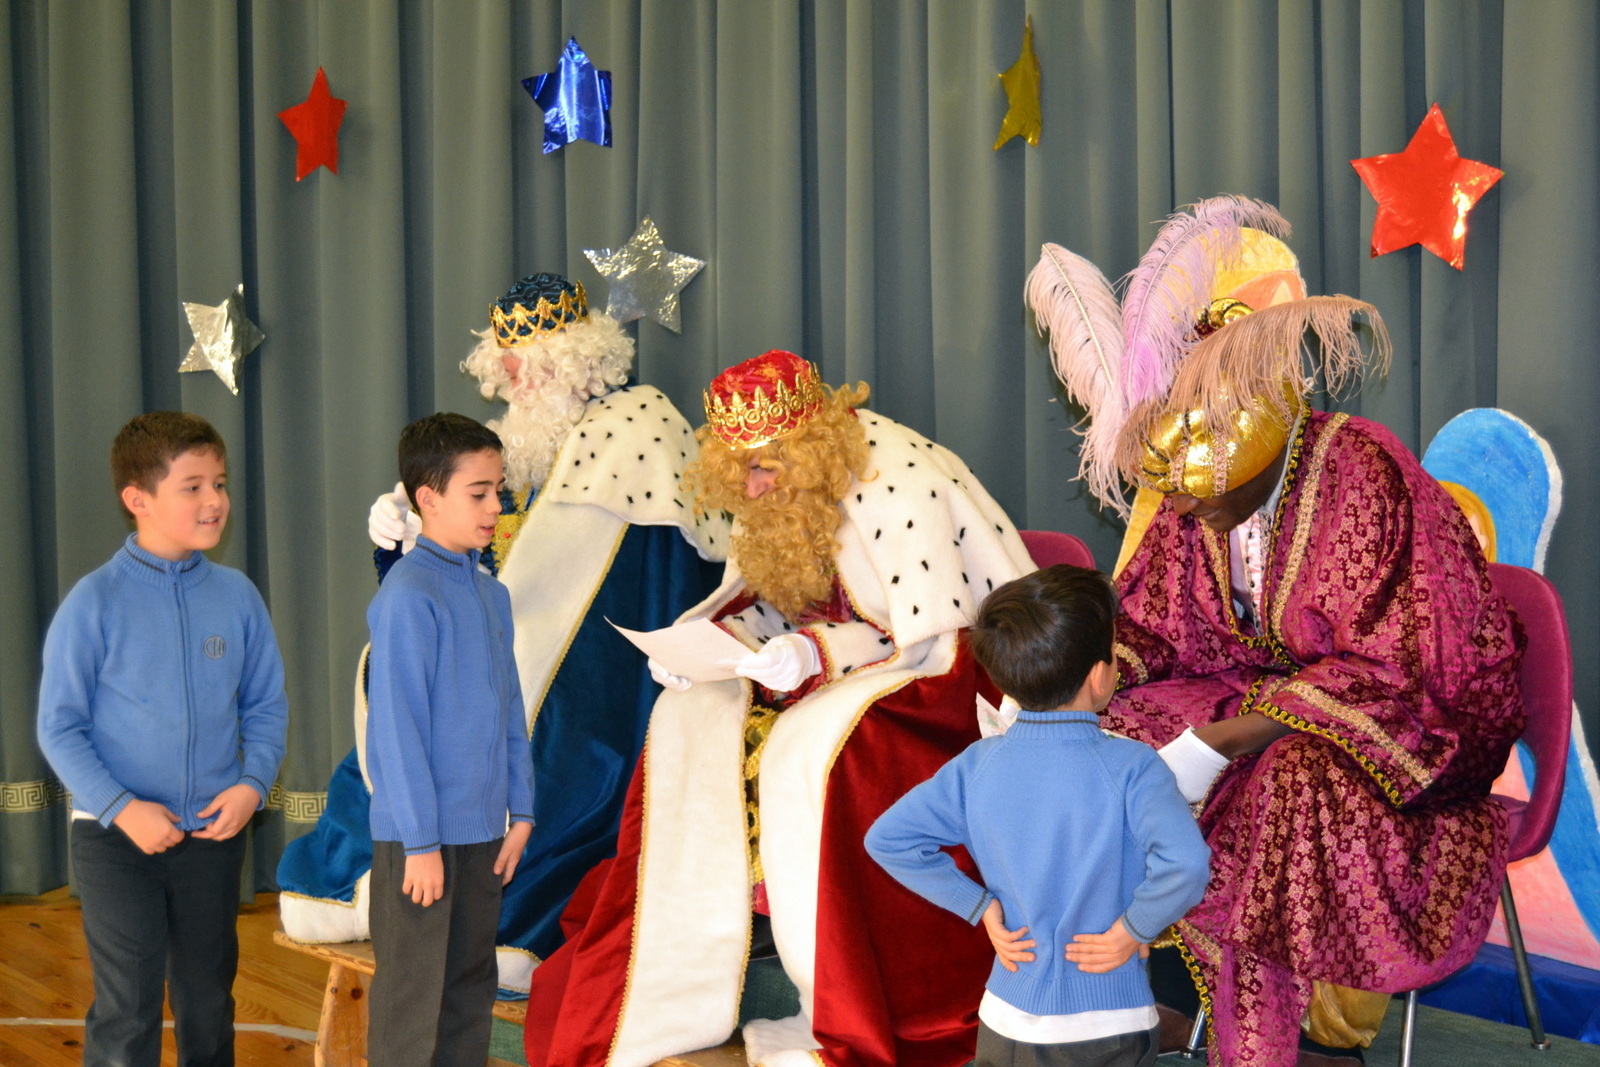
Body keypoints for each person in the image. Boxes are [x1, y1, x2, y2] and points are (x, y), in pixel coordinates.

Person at [1026, 198, 1525, 1067]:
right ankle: (1172, 990)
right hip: (1268, 696)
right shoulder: (1194, 494)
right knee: (1112, 730)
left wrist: (1221, 739)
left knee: (1291, 779)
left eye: (1197, 492)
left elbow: (1405, 670)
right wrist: (1066, 692)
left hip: (1412, 727)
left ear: (1257, 443)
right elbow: (1152, 622)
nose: (1181, 510)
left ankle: (1310, 1034)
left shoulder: (1363, 471)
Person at [524, 350, 1037, 1067]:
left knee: (809, 746)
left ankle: (830, 989)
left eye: (767, 468)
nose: (754, 487)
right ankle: (681, 980)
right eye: (742, 472)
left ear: (811, 451)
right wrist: (711, 647)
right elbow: (761, 605)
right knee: (688, 720)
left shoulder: (899, 480)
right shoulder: (768, 499)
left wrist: (816, 652)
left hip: (941, 685)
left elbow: (933, 642)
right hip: (826, 673)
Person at [276, 274, 725, 992]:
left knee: (549, 739)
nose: (513, 377)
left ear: (579, 359)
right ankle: (384, 876)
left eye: (529, 361)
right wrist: (402, 527)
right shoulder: (515, 447)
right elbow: (471, 541)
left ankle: (496, 908)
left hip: (596, 667)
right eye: (505, 362)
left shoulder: (638, 429)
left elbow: (654, 578)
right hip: (489, 639)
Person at [866, 565, 1210, 1067]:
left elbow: (887, 839)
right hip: (1108, 1020)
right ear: (1099, 675)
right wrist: (1134, 929)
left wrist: (980, 907)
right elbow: (1187, 864)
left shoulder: (976, 765)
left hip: (1004, 1016)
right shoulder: (1134, 766)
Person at [37, 411, 288, 1067]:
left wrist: (251, 785)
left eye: (220, 483)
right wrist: (123, 808)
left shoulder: (237, 596)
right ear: (138, 499)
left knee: (208, 1000)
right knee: (129, 1004)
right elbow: (59, 726)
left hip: (213, 835)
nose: (215, 500)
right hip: (115, 839)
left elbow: (265, 706)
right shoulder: (94, 601)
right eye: (193, 486)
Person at [362, 412, 536, 1067]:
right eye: (479, 492)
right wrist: (421, 843)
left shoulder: (492, 597)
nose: (496, 507)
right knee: (412, 1007)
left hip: (484, 836)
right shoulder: (408, 594)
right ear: (428, 499)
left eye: (499, 491)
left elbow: (509, 710)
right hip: (420, 843)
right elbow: (397, 730)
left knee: (468, 994)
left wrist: (521, 811)